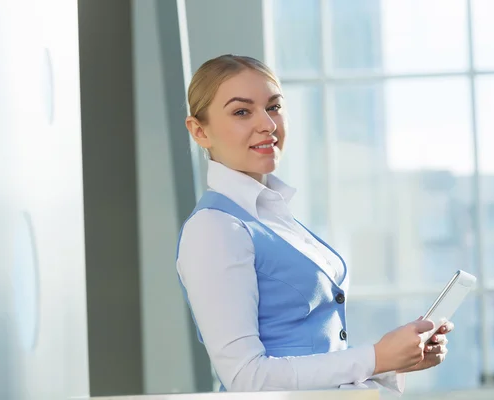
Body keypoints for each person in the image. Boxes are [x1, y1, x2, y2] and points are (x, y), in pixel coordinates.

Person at [176, 54, 454, 394]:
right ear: (199, 131)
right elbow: (246, 378)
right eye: (242, 111)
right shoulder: (215, 229)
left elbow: (314, 357)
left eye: (274, 107)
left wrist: (393, 361)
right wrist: (375, 357)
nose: (267, 124)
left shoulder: (275, 215)